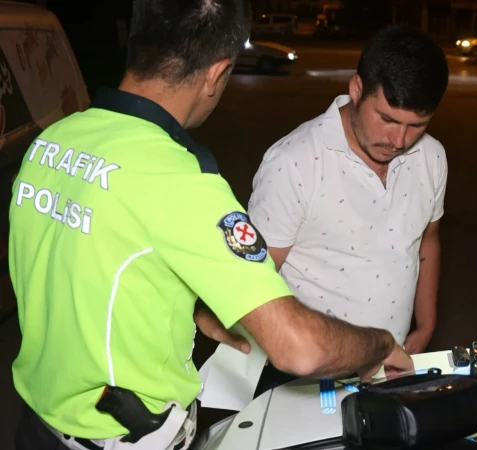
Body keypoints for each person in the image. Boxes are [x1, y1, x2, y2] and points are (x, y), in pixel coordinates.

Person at [9, 1, 413, 449]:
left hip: (36, 427)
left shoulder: (54, 140)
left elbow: (94, 260)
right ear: (217, 73)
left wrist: (196, 303)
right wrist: (378, 343)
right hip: (120, 437)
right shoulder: (182, 181)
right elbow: (300, 347)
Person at [247, 25, 449, 354]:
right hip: (307, 375)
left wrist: (426, 326)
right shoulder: (294, 163)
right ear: (357, 88)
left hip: (393, 361)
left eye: (417, 126)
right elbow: (252, 282)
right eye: (387, 119)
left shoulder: (432, 156)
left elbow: (428, 238)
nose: (398, 141)